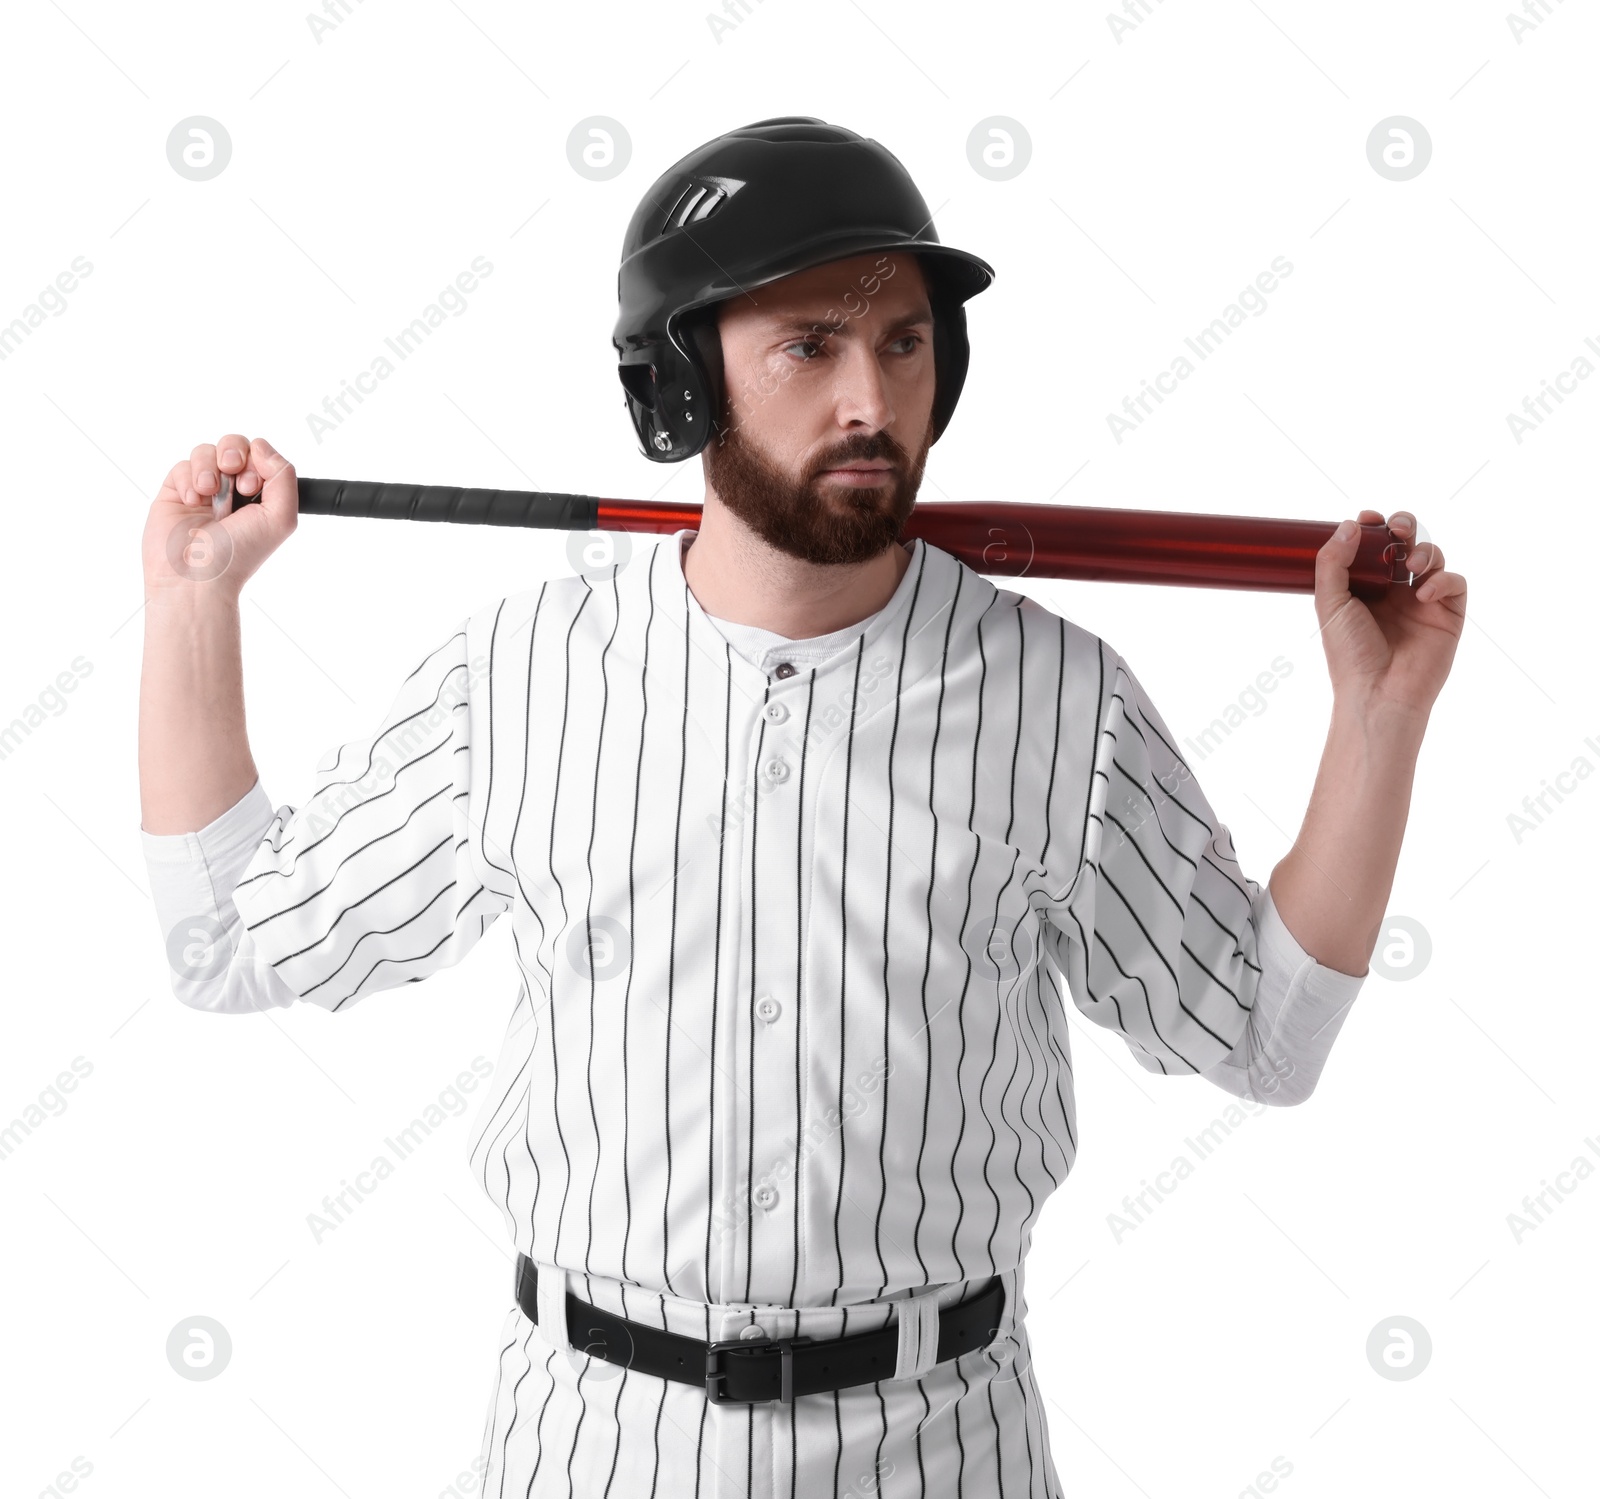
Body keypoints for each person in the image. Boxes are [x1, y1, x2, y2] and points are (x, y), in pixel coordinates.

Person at [138, 118, 1465, 1498]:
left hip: (942, 1448)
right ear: (679, 384)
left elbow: (1259, 1031)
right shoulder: (517, 680)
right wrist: (193, 602)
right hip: (590, 1444)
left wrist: (1380, 727)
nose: (872, 404)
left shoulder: (1062, 701)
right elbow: (228, 945)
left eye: (903, 343)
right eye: (809, 347)